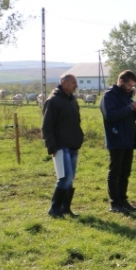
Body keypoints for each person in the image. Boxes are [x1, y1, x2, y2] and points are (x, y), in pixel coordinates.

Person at [41, 73, 84, 218]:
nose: (76, 85)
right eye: (73, 82)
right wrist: (51, 146)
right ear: (64, 83)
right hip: (60, 146)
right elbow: (46, 126)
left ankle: (66, 208)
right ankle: (54, 208)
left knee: (70, 178)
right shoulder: (53, 101)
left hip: (73, 145)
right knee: (65, 177)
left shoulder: (72, 100)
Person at [100, 70, 136, 213]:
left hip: (128, 139)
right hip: (116, 139)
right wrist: (129, 107)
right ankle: (115, 203)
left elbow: (131, 117)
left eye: (132, 86)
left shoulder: (127, 96)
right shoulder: (109, 96)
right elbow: (110, 116)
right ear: (121, 81)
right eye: (129, 85)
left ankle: (124, 201)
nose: (131, 88)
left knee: (125, 172)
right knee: (115, 173)